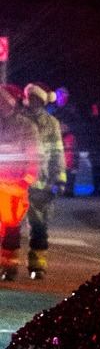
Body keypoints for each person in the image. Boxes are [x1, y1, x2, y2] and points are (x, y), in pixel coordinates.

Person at [10, 85, 66, 274]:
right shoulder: (18, 121)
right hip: (18, 182)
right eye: (29, 98)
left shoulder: (51, 124)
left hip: (41, 184)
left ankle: (37, 265)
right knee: (12, 225)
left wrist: (59, 180)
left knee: (39, 226)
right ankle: (9, 264)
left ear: (42, 101)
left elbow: (57, 153)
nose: (31, 102)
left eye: (36, 99)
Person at [0, 85, 40, 283]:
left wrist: (26, 180)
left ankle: (9, 266)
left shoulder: (26, 126)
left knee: (11, 227)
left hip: (14, 185)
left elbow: (33, 157)